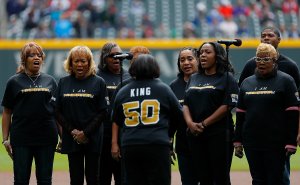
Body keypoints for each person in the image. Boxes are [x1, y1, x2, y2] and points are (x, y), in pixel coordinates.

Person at [238, 26, 300, 185]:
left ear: (279, 40)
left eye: (270, 35)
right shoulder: (249, 67)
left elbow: (295, 106)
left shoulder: (290, 69)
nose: (265, 38)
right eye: (262, 35)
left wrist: (295, 133)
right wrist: (238, 138)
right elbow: (242, 102)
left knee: (280, 176)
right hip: (254, 137)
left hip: (278, 136)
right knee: (258, 179)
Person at [111, 54, 182, 185]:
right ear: (154, 68)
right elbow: (178, 115)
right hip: (157, 143)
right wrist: (169, 134)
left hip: (130, 144)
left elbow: (117, 119)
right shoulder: (163, 89)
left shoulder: (123, 91)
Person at [1, 42, 58, 184]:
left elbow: (57, 112)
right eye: (32, 55)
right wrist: (5, 139)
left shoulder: (50, 81)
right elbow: (7, 112)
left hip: (46, 137)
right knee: (21, 180)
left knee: (45, 180)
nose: (36, 58)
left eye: (39, 55)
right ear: (24, 59)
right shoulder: (13, 82)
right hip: (21, 138)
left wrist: (62, 137)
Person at [183, 42, 239, 185]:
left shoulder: (227, 78)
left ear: (217, 56)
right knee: (203, 177)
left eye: (208, 52)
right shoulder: (194, 78)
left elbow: (227, 105)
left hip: (219, 135)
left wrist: (203, 124)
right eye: (201, 52)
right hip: (195, 135)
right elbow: (186, 104)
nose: (202, 55)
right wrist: (190, 123)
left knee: (221, 178)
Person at [55, 45, 108, 185]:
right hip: (71, 137)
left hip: (93, 138)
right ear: (70, 63)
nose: (79, 64)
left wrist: (85, 133)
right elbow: (56, 110)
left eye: (83, 61)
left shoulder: (99, 82)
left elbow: (103, 111)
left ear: (89, 62)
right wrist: (73, 131)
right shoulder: (63, 82)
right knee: (75, 179)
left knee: (93, 178)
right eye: (76, 61)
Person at [97, 42, 130, 185]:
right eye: (112, 56)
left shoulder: (129, 77)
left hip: (124, 133)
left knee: (122, 178)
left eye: (119, 55)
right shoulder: (97, 76)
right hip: (102, 134)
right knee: (102, 176)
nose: (116, 58)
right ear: (104, 58)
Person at [169, 47, 199, 185]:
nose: (186, 63)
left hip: (206, 142)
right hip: (183, 145)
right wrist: (169, 143)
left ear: (198, 60)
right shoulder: (173, 87)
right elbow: (170, 119)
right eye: (182, 60)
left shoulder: (207, 82)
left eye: (190, 59)